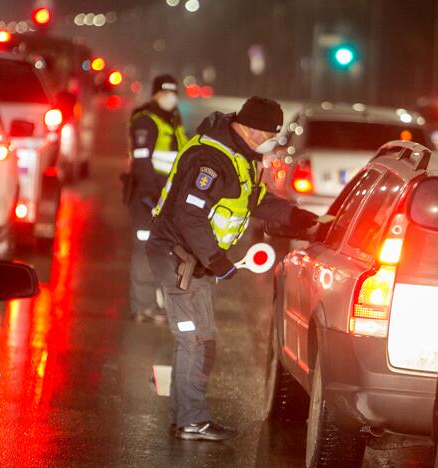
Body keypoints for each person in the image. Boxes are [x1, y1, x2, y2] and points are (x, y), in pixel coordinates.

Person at [147, 96, 320, 441]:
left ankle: (186, 417)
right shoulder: (211, 159)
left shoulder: (240, 157)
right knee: (195, 342)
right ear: (253, 127)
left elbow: (255, 199)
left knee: (199, 342)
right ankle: (191, 420)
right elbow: (189, 215)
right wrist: (217, 261)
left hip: (195, 262)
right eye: (269, 134)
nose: (269, 141)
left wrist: (298, 217)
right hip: (179, 259)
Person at [124, 74, 188, 323]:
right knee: (144, 250)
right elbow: (141, 163)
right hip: (147, 199)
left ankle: (155, 303)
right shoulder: (145, 122)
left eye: (173, 93)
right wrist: (153, 197)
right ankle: (143, 307)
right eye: (164, 93)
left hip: (166, 198)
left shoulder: (172, 121)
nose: (169, 98)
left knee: (163, 250)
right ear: (155, 94)